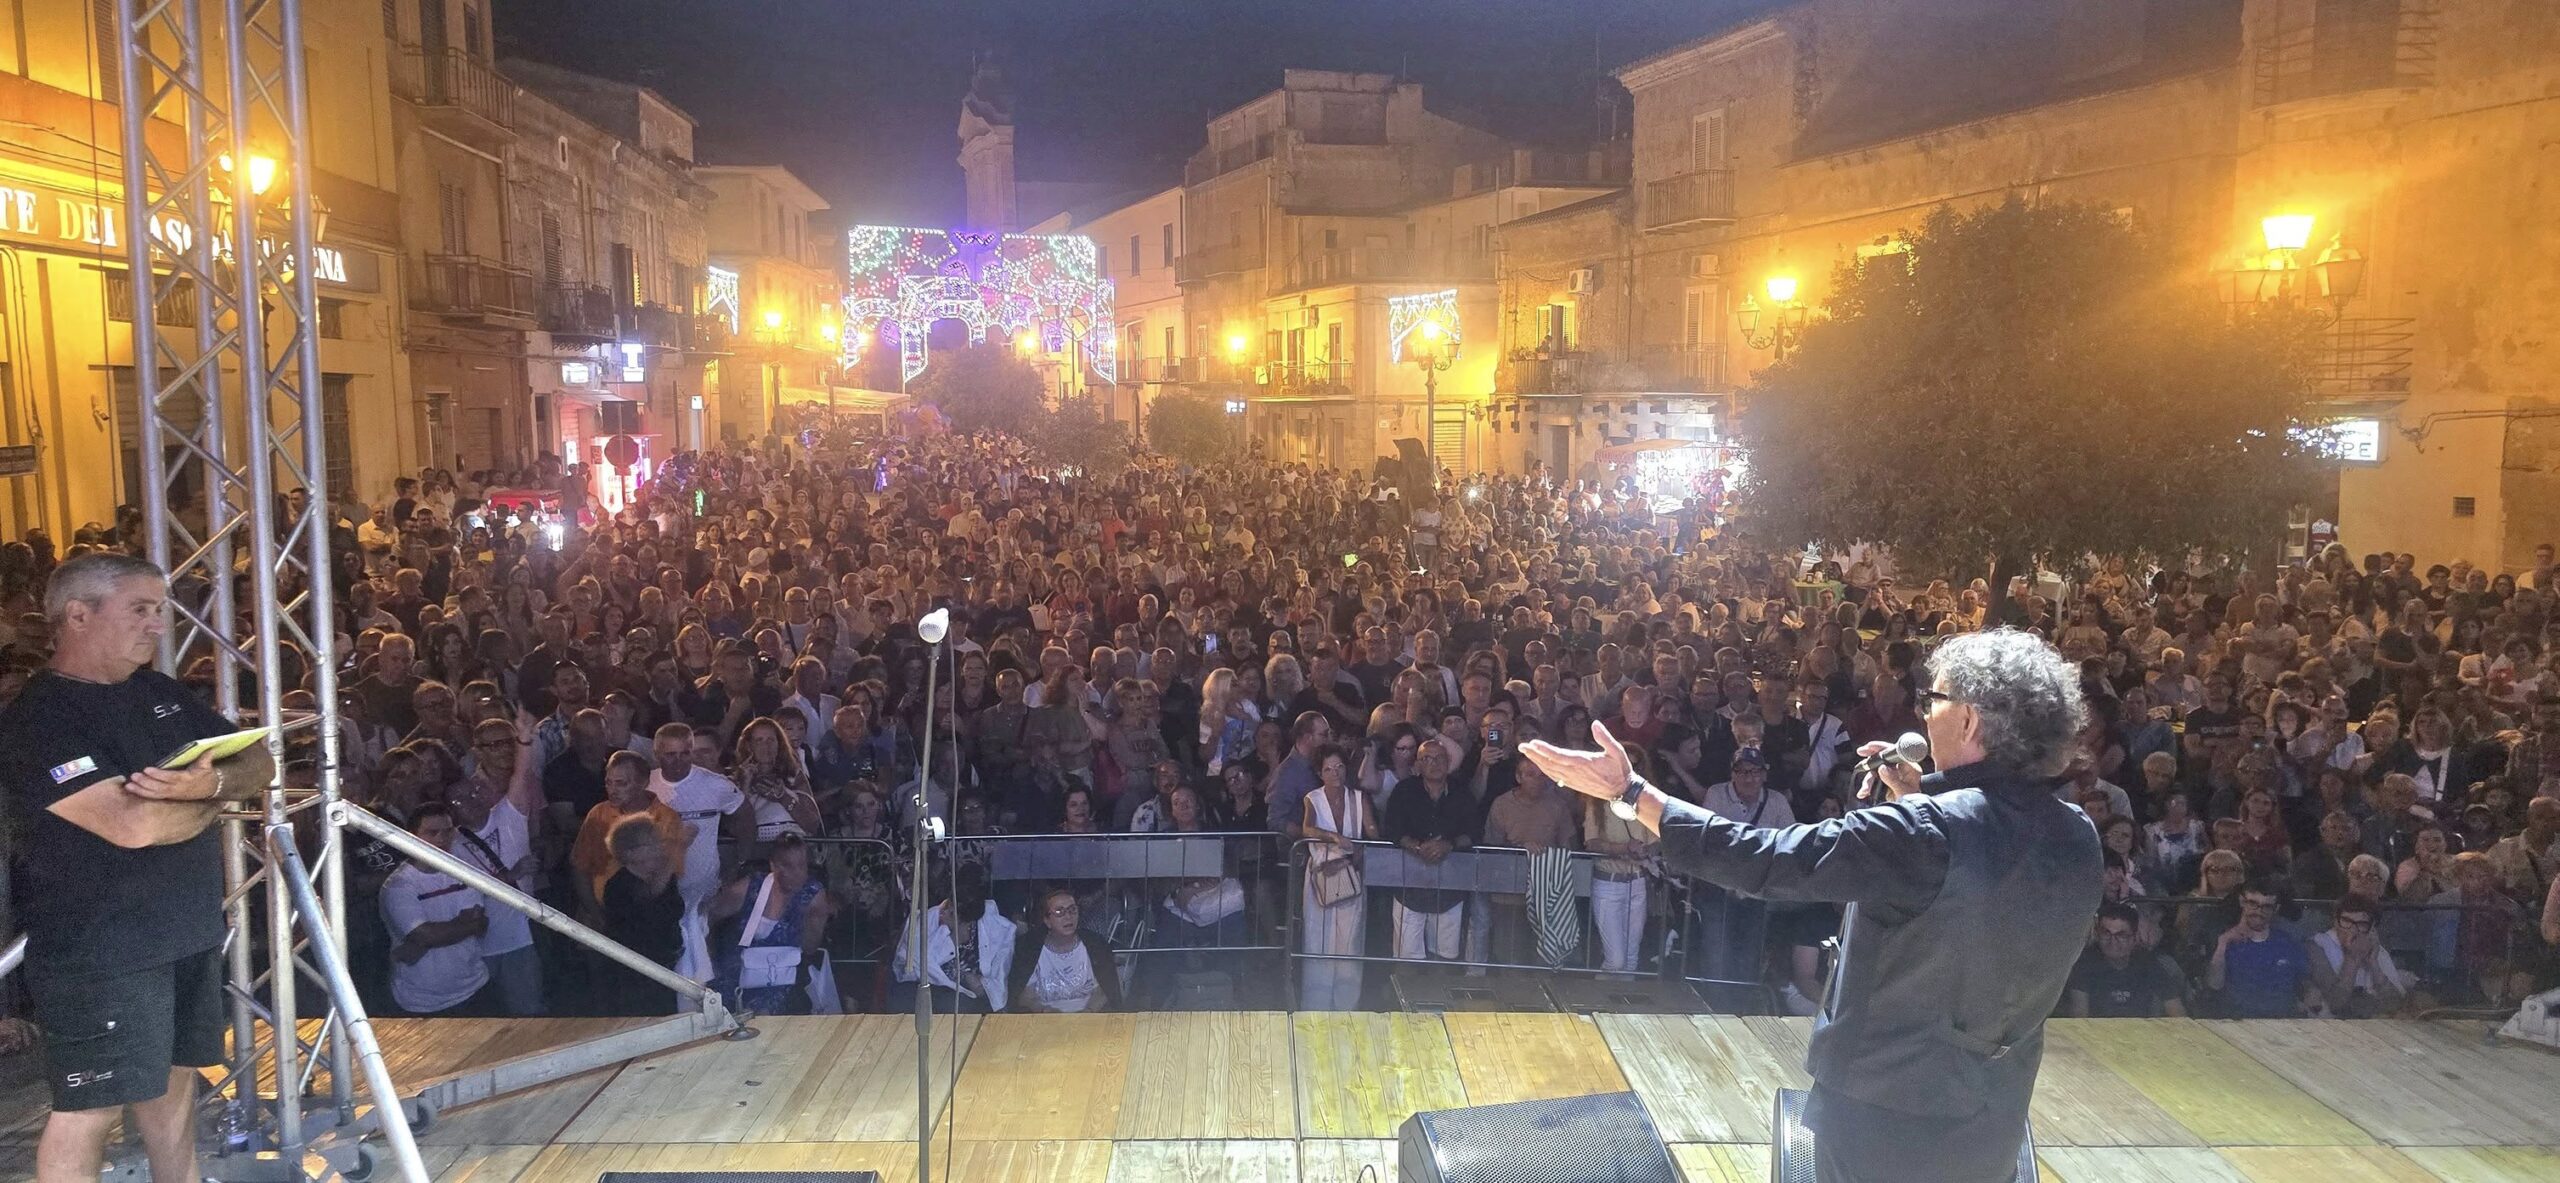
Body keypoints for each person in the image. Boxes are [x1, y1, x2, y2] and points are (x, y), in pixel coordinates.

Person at [1522, 629, 2103, 1183]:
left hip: (1882, 1114)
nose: (1925, 713)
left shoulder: (1922, 832)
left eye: (1937, 699)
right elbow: (1981, 902)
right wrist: (1919, 798)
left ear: (1971, 717)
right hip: (1993, 1114)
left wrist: (1632, 793)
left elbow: (1765, 858)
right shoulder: (2077, 835)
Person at [0, 553, 268, 1183]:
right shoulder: (40, 719)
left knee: (174, 1088)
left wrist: (210, 785)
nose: (158, 625)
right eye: (141, 610)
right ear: (77, 615)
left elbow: (260, 762)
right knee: (88, 1107)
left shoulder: (156, 691)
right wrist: (208, 802)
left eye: (160, 610)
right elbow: (133, 825)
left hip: (183, 932)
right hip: (99, 949)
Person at [380, 802, 494, 1016]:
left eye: (448, 831)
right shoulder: (399, 886)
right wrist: (454, 928)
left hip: (475, 987)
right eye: (432, 833)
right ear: (412, 836)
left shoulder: (464, 871)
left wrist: (427, 939)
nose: (442, 839)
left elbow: (479, 923)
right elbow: (424, 935)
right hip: (422, 1002)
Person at [1299, 743, 1374, 1009]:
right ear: (1320, 773)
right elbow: (1307, 828)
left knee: (1349, 943)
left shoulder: (1358, 797)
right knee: (1318, 939)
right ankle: (1315, 1007)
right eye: (1328, 769)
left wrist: (1360, 849)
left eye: (1339, 767)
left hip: (1351, 875)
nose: (1335, 773)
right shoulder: (1313, 798)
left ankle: (1346, 1008)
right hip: (1320, 877)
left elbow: (1372, 833)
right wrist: (1334, 838)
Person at [596, 814, 687, 1016]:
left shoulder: (665, 877)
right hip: (634, 972)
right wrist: (677, 851)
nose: (660, 847)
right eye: (652, 843)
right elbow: (646, 903)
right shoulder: (618, 885)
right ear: (630, 853)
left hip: (667, 964)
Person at [2207, 877, 2311, 1018]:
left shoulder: (2288, 942)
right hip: (2238, 1023)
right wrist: (2223, 943)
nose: (2259, 911)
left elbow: (2305, 982)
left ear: (2276, 909)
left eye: (2267, 906)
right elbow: (2215, 984)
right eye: (2253, 903)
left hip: (2284, 1023)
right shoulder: (2223, 940)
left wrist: (2310, 992)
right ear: (2242, 901)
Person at [1008, 889, 1124, 1013]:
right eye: (1059, 912)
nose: (1068, 917)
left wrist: (1088, 1012)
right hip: (1043, 1019)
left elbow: (1106, 990)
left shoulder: (1096, 944)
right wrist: (1045, 1011)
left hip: (1090, 1017)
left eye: (1072, 910)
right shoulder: (1029, 948)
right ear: (1047, 920)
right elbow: (1024, 997)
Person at [2066, 903, 2187, 1017]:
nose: (2112, 941)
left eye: (2121, 935)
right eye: (2106, 933)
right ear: (2097, 934)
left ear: (2134, 938)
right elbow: (2079, 1016)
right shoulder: (2084, 965)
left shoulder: (2151, 964)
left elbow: (2177, 1013)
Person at [2305, 893, 2407, 1018]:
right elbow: (2336, 1003)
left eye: (2361, 924)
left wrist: (2374, 963)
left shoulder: (2378, 951)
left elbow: (2396, 1003)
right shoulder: (2317, 946)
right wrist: (2352, 960)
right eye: (2346, 922)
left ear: (2371, 927)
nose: (2353, 930)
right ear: (2336, 921)